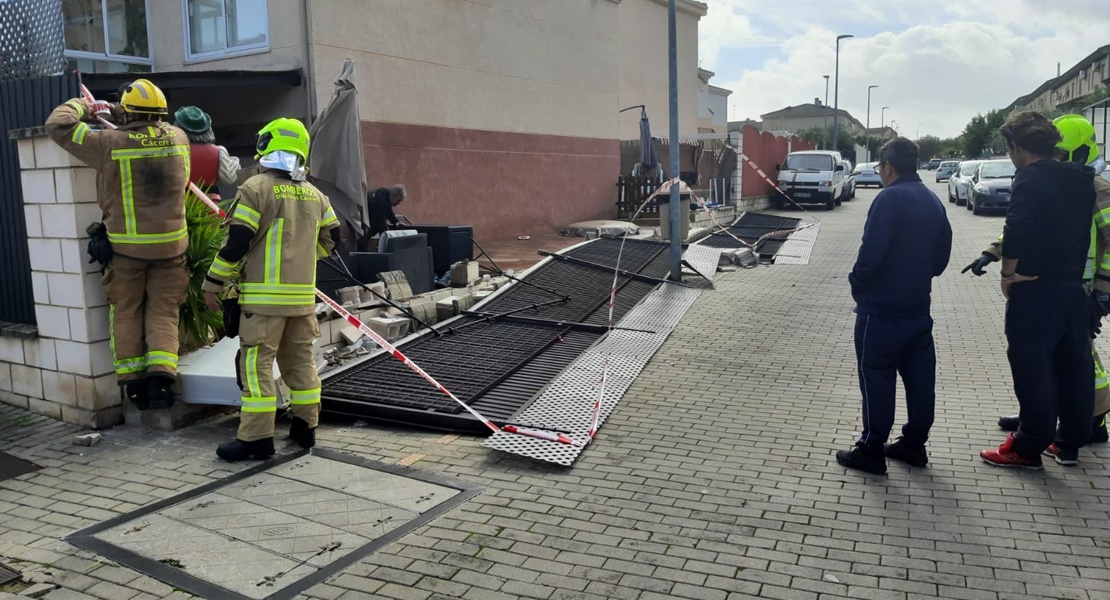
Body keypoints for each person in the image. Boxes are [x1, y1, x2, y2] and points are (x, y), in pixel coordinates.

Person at [962, 114, 1110, 457]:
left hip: (1036, 290)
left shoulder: (1029, 178)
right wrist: (991, 252)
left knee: (1033, 369)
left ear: (1015, 146)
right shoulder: (1083, 178)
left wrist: (1007, 274)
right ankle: (1069, 441)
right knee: (1075, 369)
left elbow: (1018, 227)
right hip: (1073, 289)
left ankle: (1027, 447)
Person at [44, 79, 190, 411]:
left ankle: (133, 386)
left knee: (127, 312)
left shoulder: (110, 142)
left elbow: (58, 124)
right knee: (164, 313)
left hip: (127, 250)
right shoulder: (179, 138)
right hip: (172, 248)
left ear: (127, 111)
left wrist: (90, 107)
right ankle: (161, 382)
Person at [203, 117, 340, 461]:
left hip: (263, 305)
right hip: (302, 302)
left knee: (257, 370)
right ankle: (305, 429)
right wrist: (303, 258)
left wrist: (212, 284)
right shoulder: (316, 195)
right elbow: (334, 241)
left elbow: (237, 242)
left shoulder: (255, 188)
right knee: (301, 365)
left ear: (268, 145)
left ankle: (256, 440)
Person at [836, 137, 953, 475]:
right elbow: (941, 258)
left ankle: (871, 450)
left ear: (887, 166)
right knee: (920, 380)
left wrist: (858, 283)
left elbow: (870, 254)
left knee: (876, 378)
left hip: (881, 310)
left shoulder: (888, 199)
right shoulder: (933, 200)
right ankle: (914, 445)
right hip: (918, 308)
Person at [173, 106, 240, 200]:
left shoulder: (174, 151)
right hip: (210, 206)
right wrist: (235, 161)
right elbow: (229, 178)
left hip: (179, 203)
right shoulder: (218, 151)